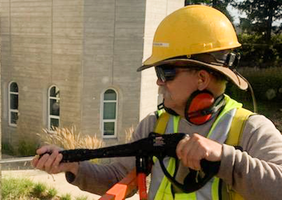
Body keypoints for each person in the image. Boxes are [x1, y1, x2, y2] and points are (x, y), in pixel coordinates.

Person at [32, 5, 282, 200]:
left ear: (202, 78)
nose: (158, 83)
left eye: (165, 73)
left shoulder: (250, 130)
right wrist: (75, 166)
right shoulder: (155, 126)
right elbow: (119, 175)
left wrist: (224, 158)